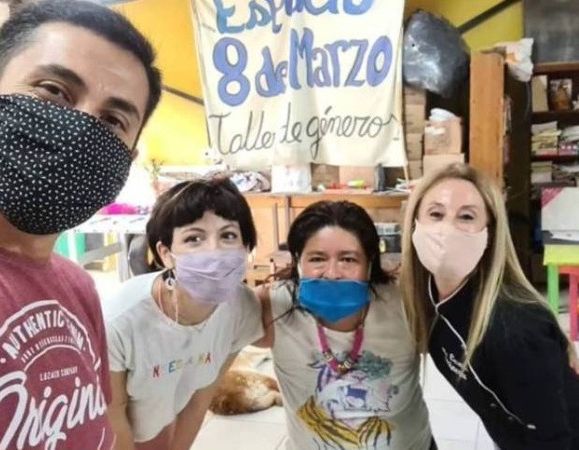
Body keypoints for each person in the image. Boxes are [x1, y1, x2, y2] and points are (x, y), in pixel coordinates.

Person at [0, 1, 161, 449]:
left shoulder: (78, 287)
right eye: (54, 91)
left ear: (127, 160)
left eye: (113, 120)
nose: (78, 130)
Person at [400, 163, 579, 450]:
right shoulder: (429, 298)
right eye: (436, 214)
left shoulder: (514, 331)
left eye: (466, 216)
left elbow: (552, 439)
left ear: (489, 234)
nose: (447, 229)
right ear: (414, 224)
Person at [256, 200, 434, 450]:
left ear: (370, 264)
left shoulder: (407, 304)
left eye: (348, 259)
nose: (332, 273)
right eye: (317, 259)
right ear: (298, 261)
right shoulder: (272, 306)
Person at [104, 178, 263, 450]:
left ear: (246, 247)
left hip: (158, 425)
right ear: (166, 254)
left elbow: (200, 398)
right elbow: (112, 414)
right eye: (194, 238)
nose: (214, 250)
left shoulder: (242, 309)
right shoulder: (120, 320)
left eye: (228, 235)